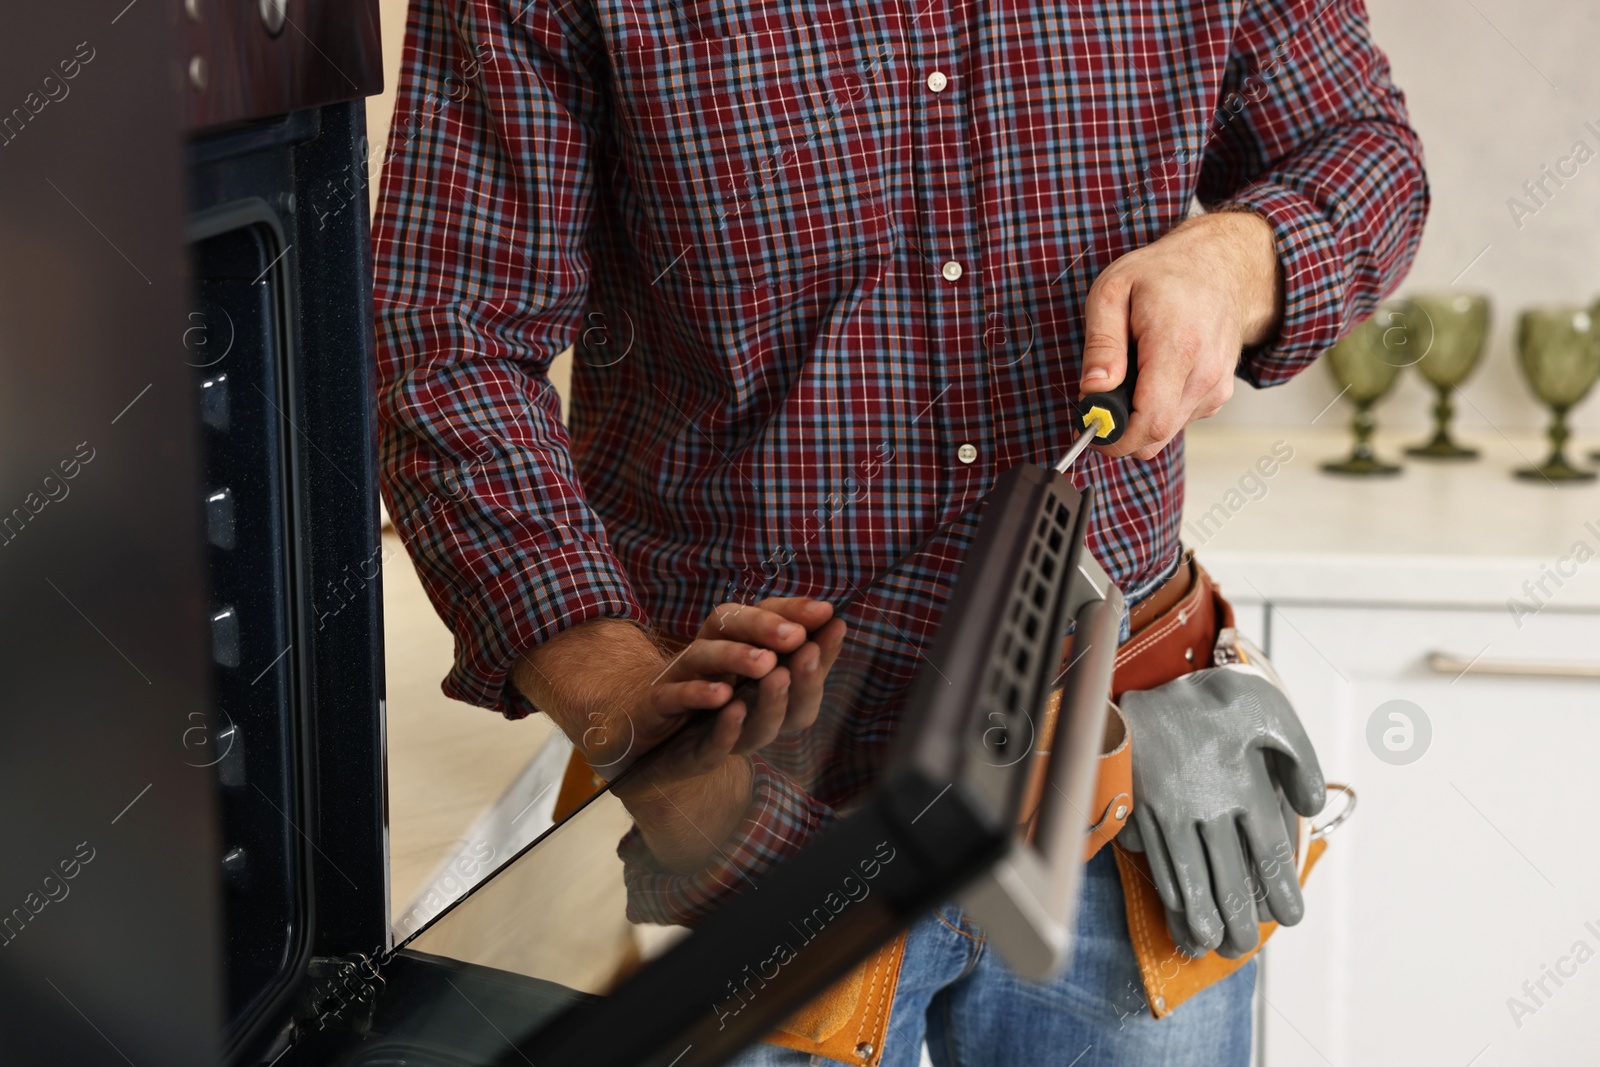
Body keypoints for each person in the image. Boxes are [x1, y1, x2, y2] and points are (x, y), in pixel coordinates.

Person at [371, 0, 1427, 1061]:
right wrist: (637, 728)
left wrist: (1237, 260)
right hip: (731, 816)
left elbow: (1365, 149)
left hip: (1118, 778)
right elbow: (441, 343)